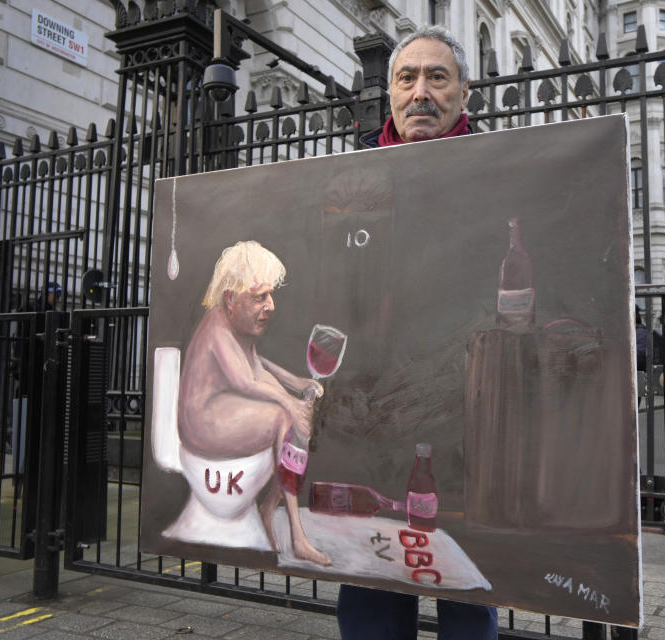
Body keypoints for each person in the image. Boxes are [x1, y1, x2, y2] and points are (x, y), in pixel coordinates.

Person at [339, 25, 499, 640]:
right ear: (390, 94)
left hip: (459, 421)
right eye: (407, 78)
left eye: (438, 77)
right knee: (371, 591)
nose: (421, 92)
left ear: (464, 93)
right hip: (370, 419)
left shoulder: (496, 177)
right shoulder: (352, 182)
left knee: (464, 595)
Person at [177, 240, 330, 565]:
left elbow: (258, 367)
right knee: (283, 417)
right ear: (231, 298)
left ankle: (269, 511)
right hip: (202, 423)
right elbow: (244, 381)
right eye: (260, 297)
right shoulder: (217, 326)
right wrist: (289, 404)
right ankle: (296, 535)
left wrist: (297, 384)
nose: (271, 305)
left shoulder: (234, 327)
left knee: (292, 416)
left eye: (270, 295)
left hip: (224, 410)